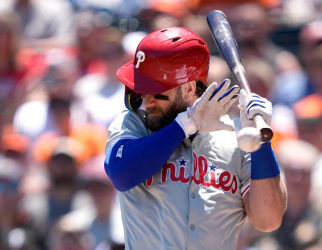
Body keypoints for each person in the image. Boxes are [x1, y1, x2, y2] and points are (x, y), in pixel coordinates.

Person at [104, 27, 287, 250]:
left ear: (189, 88)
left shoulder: (238, 136)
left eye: (156, 92)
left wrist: (261, 143)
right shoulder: (134, 125)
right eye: (142, 91)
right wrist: (188, 123)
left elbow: (268, 220)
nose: (146, 101)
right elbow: (121, 174)